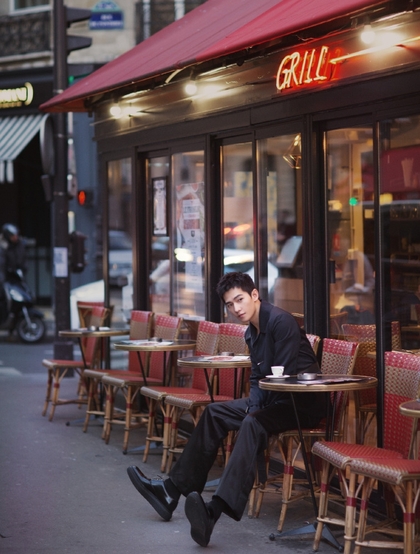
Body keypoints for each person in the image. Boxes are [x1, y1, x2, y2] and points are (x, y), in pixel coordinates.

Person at [127, 271, 327, 547]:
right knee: (214, 413)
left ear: (255, 295)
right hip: (275, 399)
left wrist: (253, 411)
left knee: (253, 423)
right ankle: (170, 491)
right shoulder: (251, 332)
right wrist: (253, 406)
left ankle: (214, 511)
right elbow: (258, 379)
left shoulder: (281, 322)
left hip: (301, 402)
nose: (236, 309)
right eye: (230, 304)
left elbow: (283, 377)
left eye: (240, 300)